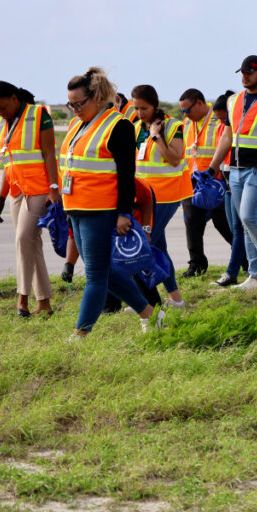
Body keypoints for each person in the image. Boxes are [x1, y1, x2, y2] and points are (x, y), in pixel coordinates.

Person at [60, 67, 164, 338]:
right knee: (104, 271)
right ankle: (150, 314)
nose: (75, 110)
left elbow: (127, 176)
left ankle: (80, 335)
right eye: (71, 105)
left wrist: (124, 213)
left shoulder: (119, 126)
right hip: (76, 207)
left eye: (79, 104)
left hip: (100, 210)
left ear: (96, 97)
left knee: (95, 275)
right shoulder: (78, 125)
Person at [206, 55, 257, 290]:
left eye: (249, 73)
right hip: (235, 171)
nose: (245, 76)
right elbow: (226, 137)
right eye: (242, 73)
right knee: (245, 224)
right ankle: (255, 277)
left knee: (248, 216)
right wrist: (212, 167)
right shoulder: (233, 101)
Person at [0, 81, 60, 317]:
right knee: (30, 244)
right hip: (17, 190)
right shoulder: (3, 123)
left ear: (14, 98)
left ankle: (22, 299)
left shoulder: (39, 116)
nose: (0, 113)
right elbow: (9, 162)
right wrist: (1, 196)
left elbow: (50, 154)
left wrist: (54, 189)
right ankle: (45, 303)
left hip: (40, 189)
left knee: (23, 239)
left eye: (2, 107)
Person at [131, 84, 191, 308]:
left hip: (167, 195)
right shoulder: (136, 128)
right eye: (136, 108)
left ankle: (146, 301)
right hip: (145, 196)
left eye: (144, 108)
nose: (139, 113)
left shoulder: (173, 126)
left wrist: (156, 136)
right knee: (159, 248)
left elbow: (174, 159)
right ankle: (176, 300)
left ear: (155, 105)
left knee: (144, 245)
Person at [179, 88, 233, 277]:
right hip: (192, 183)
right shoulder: (187, 123)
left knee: (223, 224)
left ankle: (246, 258)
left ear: (200, 103)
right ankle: (196, 264)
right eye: (182, 111)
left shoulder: (218, 119)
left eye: (187, 110)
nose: (185, 114)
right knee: (192, 224)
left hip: (215, 183)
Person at [209, 91, 250, 287]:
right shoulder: (222, 128)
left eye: (223, 118)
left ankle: (232, 273)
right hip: (226, 184)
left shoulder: (242, 127)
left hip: (238, 182)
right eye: (218, 119)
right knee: (235, 229)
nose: (221, 122)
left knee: (239, 229)